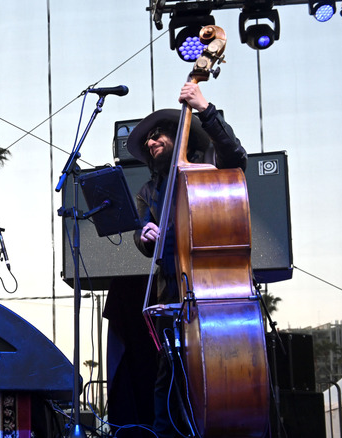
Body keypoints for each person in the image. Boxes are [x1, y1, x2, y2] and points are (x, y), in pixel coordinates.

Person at [125, 82, 247, 438]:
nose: (150, 142)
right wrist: (143, 235)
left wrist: (203, 107)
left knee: (223, 374)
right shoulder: (147, 192)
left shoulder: (207, 165)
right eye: (147, 141)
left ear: (178, 135)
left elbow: (236, 159)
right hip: (171, 293)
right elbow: (142, 239)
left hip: (215, 290)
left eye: (158, 134)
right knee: (170, 374)